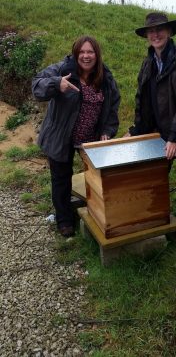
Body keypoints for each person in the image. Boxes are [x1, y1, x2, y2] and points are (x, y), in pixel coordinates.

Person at [125, 12, 176, 228]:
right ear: (146, 36)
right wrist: (136, 130)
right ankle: (154, 214)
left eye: (160, 29)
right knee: (156, 174)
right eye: (151, 31)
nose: (155, 34)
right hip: (162, 130)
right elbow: (142, 100)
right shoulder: (148, 63)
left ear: (170, 32)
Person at [32, 35, 120, 238]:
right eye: (82, 52)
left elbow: (112, 106)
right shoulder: (63, 70)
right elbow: (36, 86)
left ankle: (97, 210)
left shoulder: (105, 77)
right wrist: (56, 84)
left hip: (90, 139)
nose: (86, 56)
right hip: (60, 136)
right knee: (61, 179)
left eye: (90, 52)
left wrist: (107, 131)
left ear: (97, 55)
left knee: (96, 176)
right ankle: (64, 220)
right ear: (75, 54)